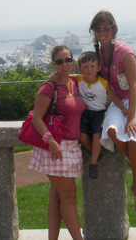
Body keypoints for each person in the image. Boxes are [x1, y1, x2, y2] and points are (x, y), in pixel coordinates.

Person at [91, 10, 136, 214]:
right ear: (93, 31)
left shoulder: (124, 52)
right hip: (120, 100)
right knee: (111, 130)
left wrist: (131, 117)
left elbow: (134, 85)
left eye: (106, 29)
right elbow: (104, 84)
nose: (102, 33)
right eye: (98, 29)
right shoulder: (97, 54)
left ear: (113, 30)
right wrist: (120, 106)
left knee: (133, 135)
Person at [28, 45, 86, 240]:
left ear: (73, 61)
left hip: (72, 146)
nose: (64, 64)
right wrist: (50, 141)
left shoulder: (74, 82)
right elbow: (36, 118)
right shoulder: (48, 87)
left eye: (68, 60)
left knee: (57, 196)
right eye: (59, 62)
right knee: (69, 197)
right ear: (53, 64)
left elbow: (90, 76)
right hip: (56, 147)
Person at [76, 51, 122, 179]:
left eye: (92, 66)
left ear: (98, 68)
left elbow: (113, 97)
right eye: (85, 67)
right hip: (85, 113)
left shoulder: (103, 83)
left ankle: (93, 163)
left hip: (99, 113)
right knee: (82, 135)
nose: (89, 69)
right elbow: (65, 76)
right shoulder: (79, 79)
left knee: (97, 134)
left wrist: (123, 108)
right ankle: (95, 153)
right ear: (80, 69)